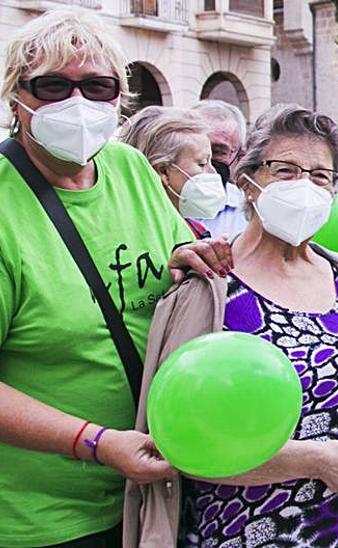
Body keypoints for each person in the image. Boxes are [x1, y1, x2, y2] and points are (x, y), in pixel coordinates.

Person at [125, 104, 338, 546]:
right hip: (243, 528)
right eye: (285, 170)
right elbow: (181, 438)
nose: (304, 186)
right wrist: (312, 460)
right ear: (247, 181)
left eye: (319, 176)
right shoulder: (210, 286)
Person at [0, 10, 230, 546]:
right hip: (43, 520)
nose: (76, 103)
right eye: (53, 86)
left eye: (97, 86)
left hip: (151, 496)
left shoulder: (129, 168)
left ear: (119, 98)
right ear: (17, 98)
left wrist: (186, 255)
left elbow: (164, 251)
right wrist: (97, 443)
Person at [119, 106, 225, 238]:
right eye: (202, 163)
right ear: (163, 171)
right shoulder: (126, 233)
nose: (213, 172)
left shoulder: (196, 232)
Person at [191, 99, 250, 238]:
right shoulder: (160, 205)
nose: (207, 163)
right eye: (195, 148)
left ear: (240, 157)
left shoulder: (250, 216)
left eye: (217, 151)